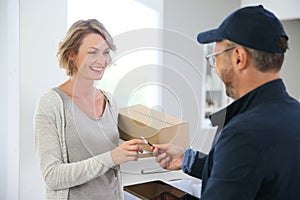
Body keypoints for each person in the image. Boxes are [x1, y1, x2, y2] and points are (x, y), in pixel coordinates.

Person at [152, 5, 300, 199]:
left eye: (215, 58)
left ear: (239, 58)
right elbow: (256, 172)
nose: (215, 68)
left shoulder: (243, 132)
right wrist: (188, 160)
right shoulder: (294, 115)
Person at [33, 19, 146, 200]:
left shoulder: (109, 101)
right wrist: (112, 157)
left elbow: (112, 163)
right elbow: (52, 176)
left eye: (106, 52)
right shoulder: (52, 103)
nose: (102, 61)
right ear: (72, 54)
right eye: (93, 53)